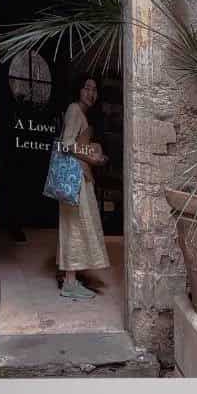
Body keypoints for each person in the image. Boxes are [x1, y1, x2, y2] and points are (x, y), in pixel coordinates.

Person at [56, 76, 109, 299]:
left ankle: (71, 276)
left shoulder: (82, 113)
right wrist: (93, 158)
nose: (91, 93)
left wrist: (94, 155)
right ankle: (69, 283)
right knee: (74, 227)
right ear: (78, 90)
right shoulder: (74, 110)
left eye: (95, 89)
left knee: (77, 226)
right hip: (74, 177)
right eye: (87, 88)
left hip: (79, 176)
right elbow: (66, 144)